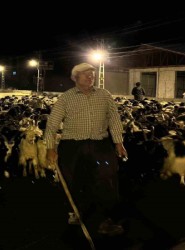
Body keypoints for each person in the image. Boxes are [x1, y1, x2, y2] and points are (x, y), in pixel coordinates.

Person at [45, 63, 128, 237]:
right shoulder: (66, 98)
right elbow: (52, 124)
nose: (91, 77)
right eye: (86, 75)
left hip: (100, 145)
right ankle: (76, 212)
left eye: (92, 75)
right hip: (72, 146)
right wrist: (50, 148)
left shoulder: (105, 95)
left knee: (107, 180)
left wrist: (119, 143)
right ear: (74, 78)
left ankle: (107, 220)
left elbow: (114, 119)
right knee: (74, 181)